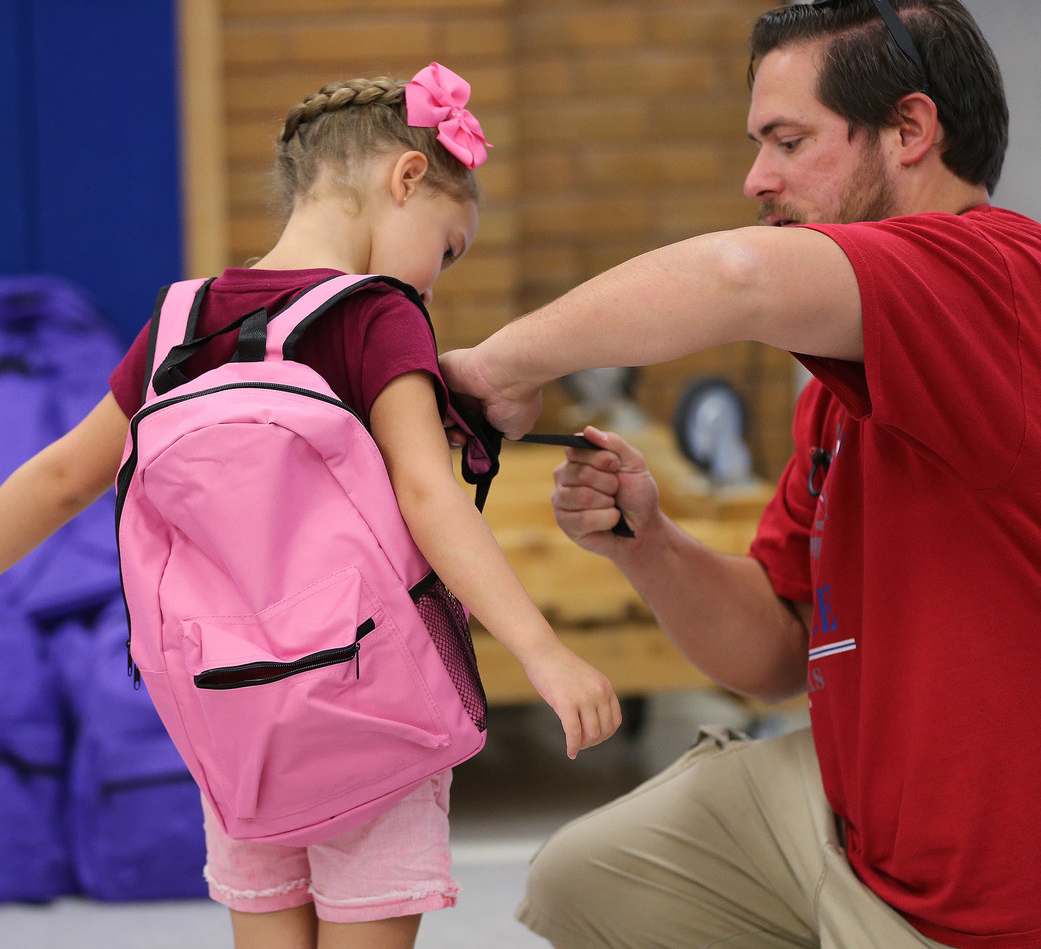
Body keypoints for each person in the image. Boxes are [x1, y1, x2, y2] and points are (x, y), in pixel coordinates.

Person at [0, 62, 621, 949]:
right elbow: (429, 495)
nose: (435, 282)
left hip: (233, 712)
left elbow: (61, 478)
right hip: (372, 711)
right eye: (446, 248)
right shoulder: (378, 315)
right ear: (405, 181)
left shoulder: (179, 323)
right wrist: (545, 653)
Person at [439, 1, 1041, 946]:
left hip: (983, 901)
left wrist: (496, 366)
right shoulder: (835, 393)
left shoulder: (999, 275)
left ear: (911, 130)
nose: (757, 176)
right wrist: (650, 543)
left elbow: (737, 277)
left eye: (788, 140)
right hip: (851, 822)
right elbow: (773, 652)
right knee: (585, 877)